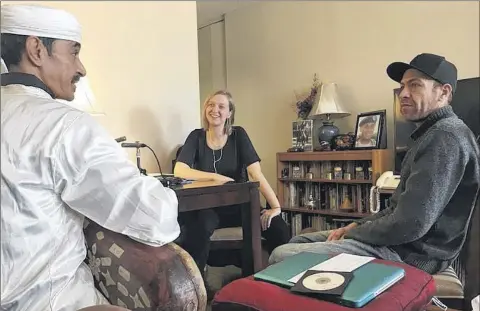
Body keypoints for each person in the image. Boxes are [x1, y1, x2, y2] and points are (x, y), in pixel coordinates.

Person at [1, 4, 180, 311]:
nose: (82, 68)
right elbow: (155, 218)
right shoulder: (63, 125)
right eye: (74, 52)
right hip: (53, 302)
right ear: (36, 50)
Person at [270, 53, 480, 275]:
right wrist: (358, 226)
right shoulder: (430, 134)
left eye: (415, 85)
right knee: (300, 239)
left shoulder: (445, 137)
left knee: (282, 255)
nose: (404, 94)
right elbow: (395, 210)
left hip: (413, 255)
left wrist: (355, 234)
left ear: (444, 92)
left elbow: (410, 224)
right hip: (401, 244)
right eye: (402, 86)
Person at [174, 90, 291, 278]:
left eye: (221, 106)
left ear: (229, 113)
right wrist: (214, 177)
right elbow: (179, 170)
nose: (215, 110)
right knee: (199, 227)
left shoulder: (239, 135)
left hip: (239, 206)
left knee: (277, 226)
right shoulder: (196, 137)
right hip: (208, 207)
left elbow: (255, 173)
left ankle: (283, 277)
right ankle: (196, 286)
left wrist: (276, 206)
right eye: (211, 105)